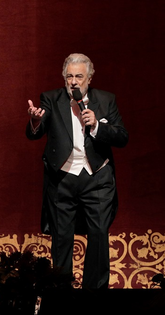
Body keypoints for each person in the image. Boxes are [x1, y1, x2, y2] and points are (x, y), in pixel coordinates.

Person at [26, 53, 128, 289]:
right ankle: (61, 297)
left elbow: (122, 137)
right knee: (62, 240)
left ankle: (95, 296)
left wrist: (97, 127)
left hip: (98, 179)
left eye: (79, 76)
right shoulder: (51, 99)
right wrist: (35, 121)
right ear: (64, 78)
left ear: (89, 78)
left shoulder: (105, 100)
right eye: (69, 76)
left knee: (99, 236)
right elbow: (36, 132)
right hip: (62, 179)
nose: (73, 81)